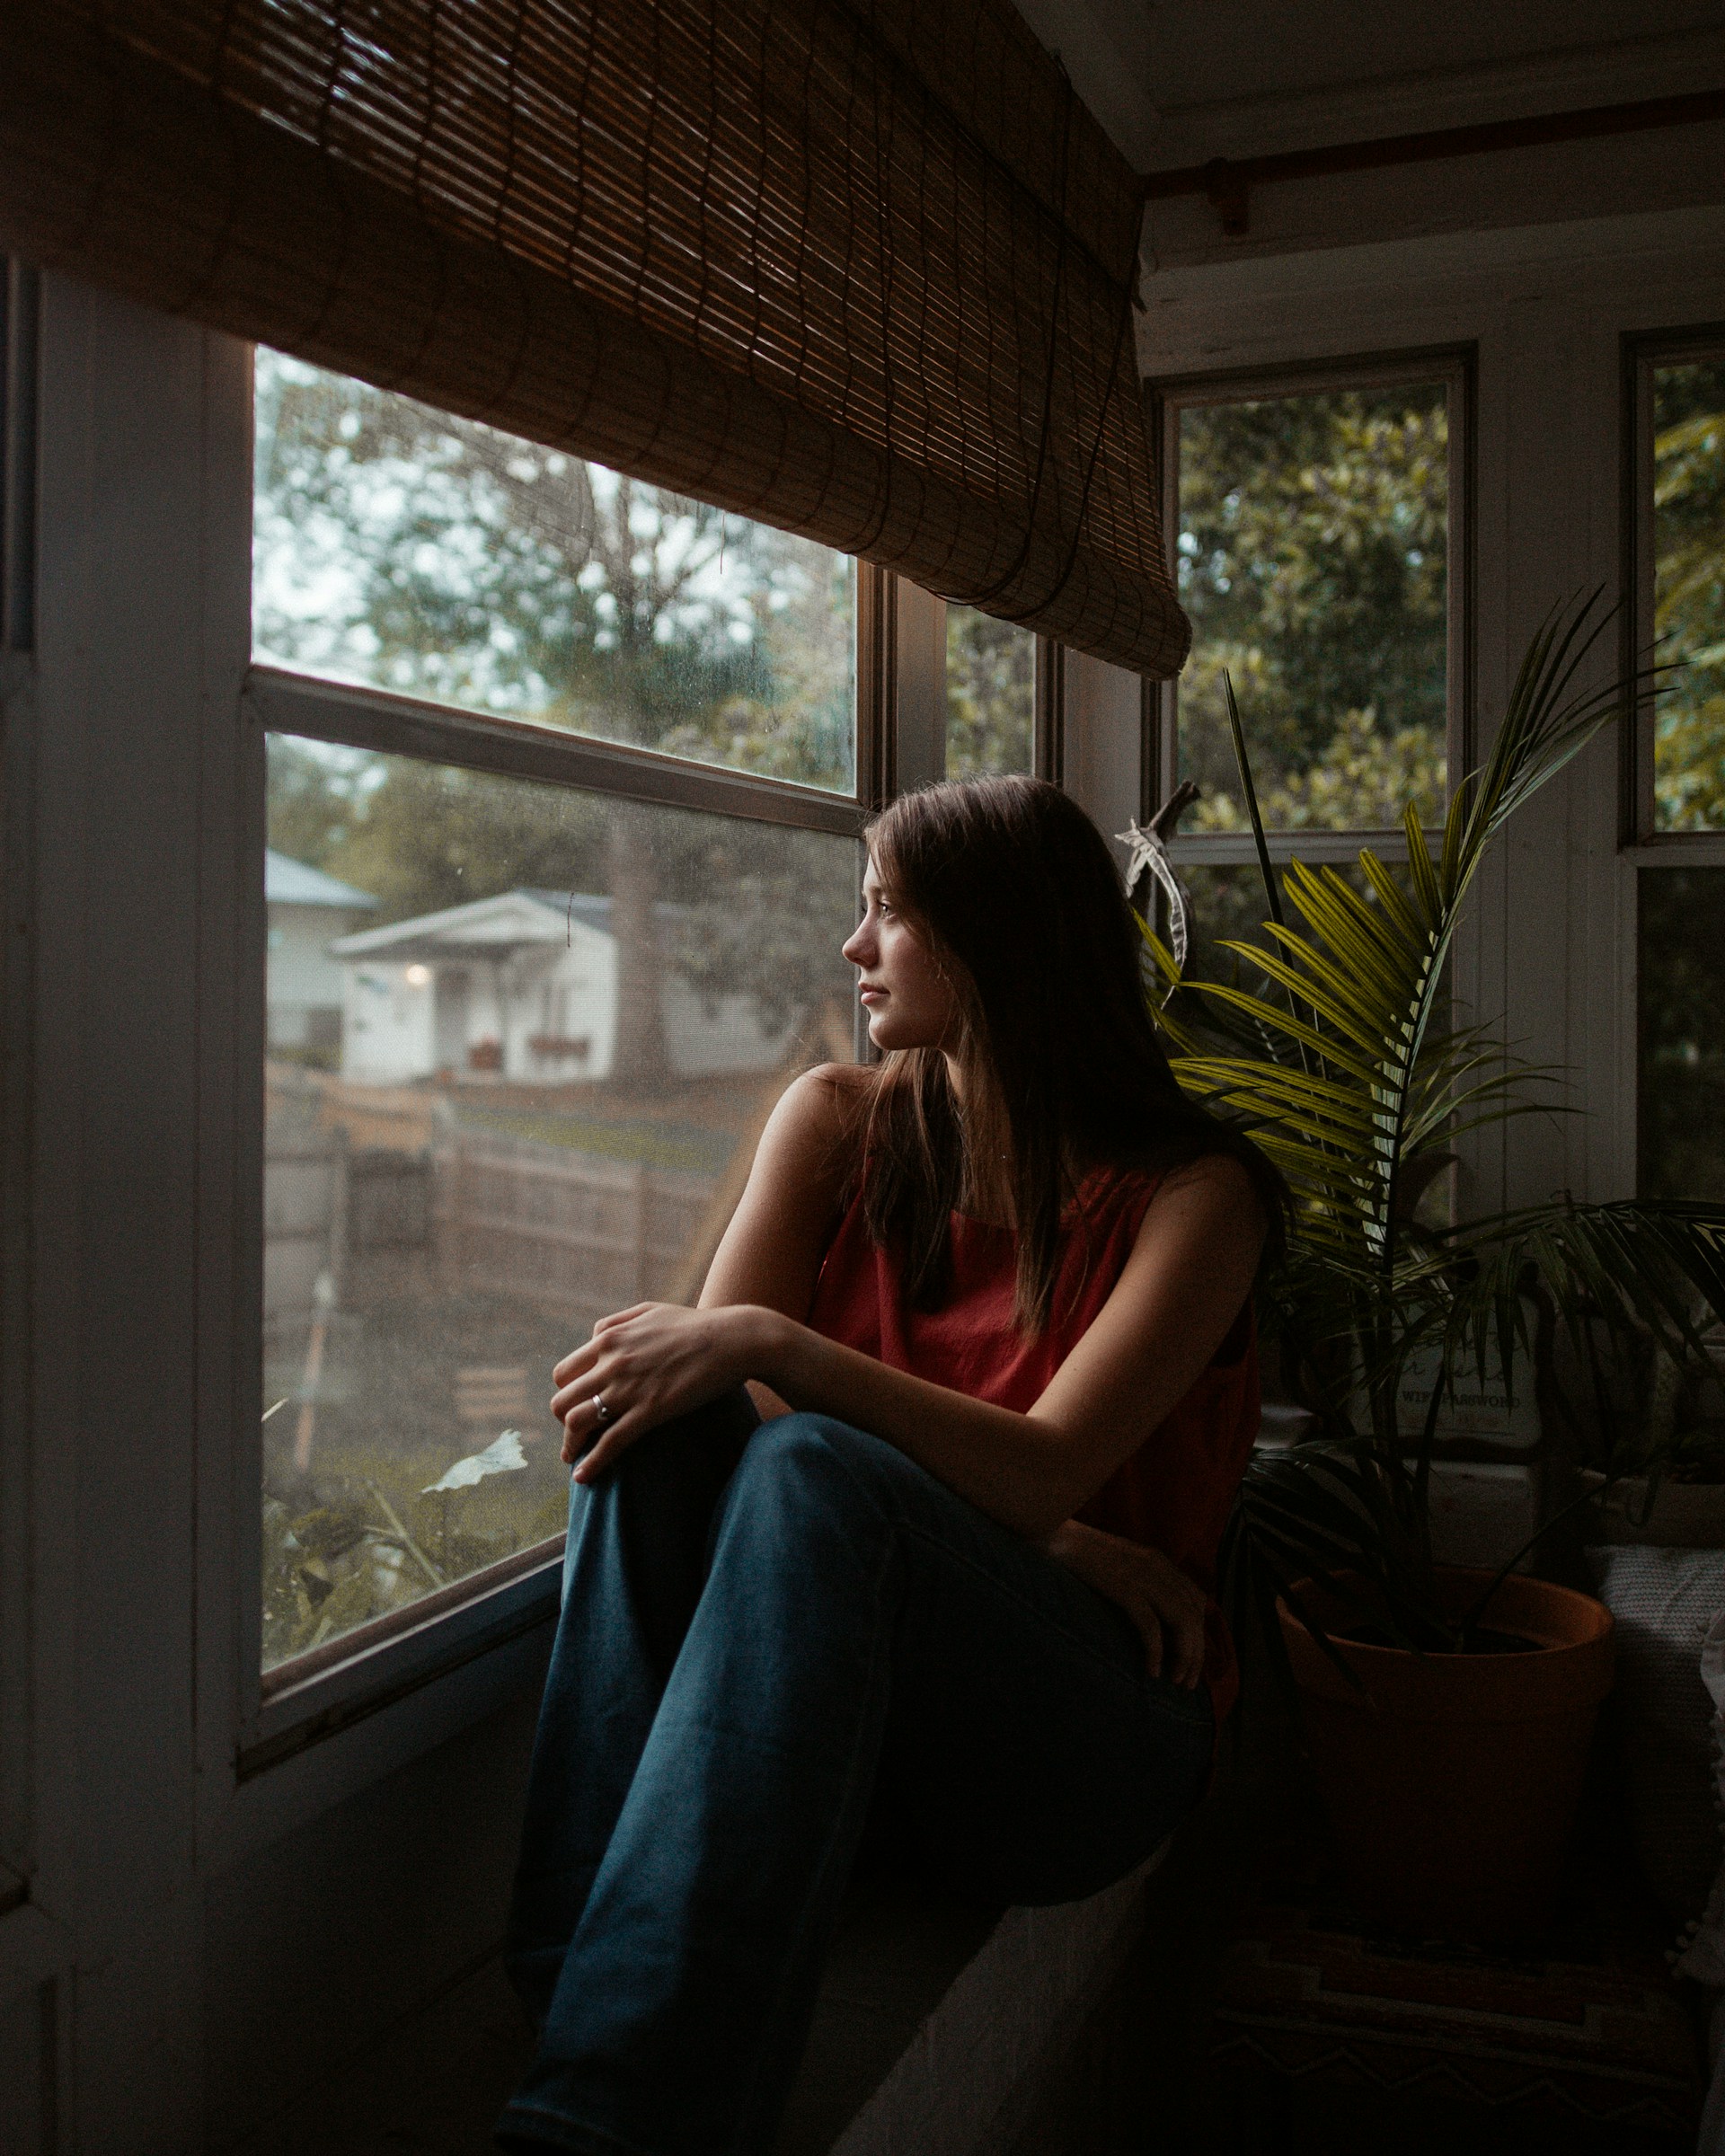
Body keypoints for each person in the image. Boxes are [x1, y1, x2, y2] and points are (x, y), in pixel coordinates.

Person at [497, 774, 1282, 2156]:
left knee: (808, 1469)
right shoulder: (842, 1122)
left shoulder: (1195, 1198)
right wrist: (1020, 1536)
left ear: (997, 941)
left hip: (1093, 1740)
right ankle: (577, 2005)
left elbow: (1036, 1466)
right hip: (870, 1715)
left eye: (888, 915)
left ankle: (601, 2130)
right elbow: (721, 1404)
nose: (855, 949)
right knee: (661, 1413)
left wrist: (795, 1365)